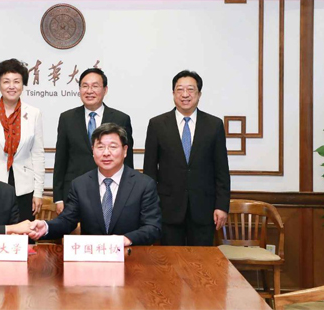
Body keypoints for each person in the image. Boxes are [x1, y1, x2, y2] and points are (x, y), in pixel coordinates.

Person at [30, 123, 161, 246]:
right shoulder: (80, 184)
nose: (106, 153)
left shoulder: (143, 184)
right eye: (100, 147)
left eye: (113, 147)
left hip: (130, 256)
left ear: (125, 150)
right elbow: (67, 221)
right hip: (92, 255)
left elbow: (152, 227)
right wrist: (46, 227)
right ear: (93, 151)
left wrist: (127, 239)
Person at [143, 70, 230, 246]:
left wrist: (221, 206)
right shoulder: (157, 124)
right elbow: (150, 171)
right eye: (180, 89)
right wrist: (151, 207)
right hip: (167, 209)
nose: (185, 94)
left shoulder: (214, 125)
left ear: (199, 94)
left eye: (190, 89)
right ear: (173, 93)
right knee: (170, 260)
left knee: (201, 260)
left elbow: (222, 170)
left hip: (204, 210)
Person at [52, 68, 134, 215]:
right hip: (74, 192)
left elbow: (127, 161)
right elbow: (60, 160)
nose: (89, 91)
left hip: (110, 190)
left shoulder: (121, 119)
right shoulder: (67, 118)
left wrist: (128, 193)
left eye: (95, 86)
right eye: (85, 86)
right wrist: (58, 198)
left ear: (105, 90)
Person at [0, 59, 45, 223]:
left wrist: (38, 192)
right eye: (6, 81)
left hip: (25, 187)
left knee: (25, 231)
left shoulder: (34, 114)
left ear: (23, 84)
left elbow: (38, 154)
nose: (11, 86)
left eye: (16, 81)